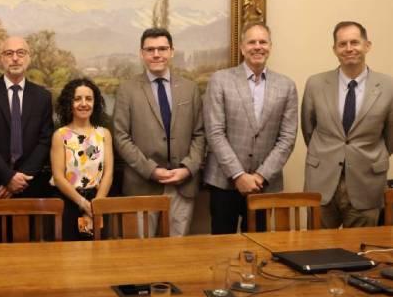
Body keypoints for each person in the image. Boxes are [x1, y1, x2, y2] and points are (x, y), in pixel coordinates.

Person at [203, 21, 298, 234]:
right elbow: (215, 132)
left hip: (264, 185)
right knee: (220, 250)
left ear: (270, 46)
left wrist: (260, 176)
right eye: (252, 42)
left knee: (259, 248)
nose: (258, 46)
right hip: (223, 182)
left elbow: (287, 138)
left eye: (263, 42)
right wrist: (238, 175)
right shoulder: (220, 80)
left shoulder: (286, 86)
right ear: (242, 47)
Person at [113, 28, 205, 237]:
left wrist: (188, 168)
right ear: (141, 53)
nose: (156, 54)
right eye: (150, 49)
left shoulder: (189, 89)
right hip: (142, 185)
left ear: (172, 51)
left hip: (182, 185)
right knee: (142, 256)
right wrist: (151, 170)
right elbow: (121, 137)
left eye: (162, 49)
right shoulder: (127, 90)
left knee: (176, 254)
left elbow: (200, 134)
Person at [303, 21, 393, 228]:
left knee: (362, 252)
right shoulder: (315, 84)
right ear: (334, 49)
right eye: (342, 44)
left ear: (367, 45)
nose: (349, 48)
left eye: (355, 42)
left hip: (367, 181)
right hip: (322, 181)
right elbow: (309, 129)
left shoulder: (388, 86)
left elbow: (390, 137)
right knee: (317, 252)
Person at [0, 36, 53, 241]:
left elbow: (45, 140)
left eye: (20, 53)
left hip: (29, 188)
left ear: (28, 58)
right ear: (1, 59)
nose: (15, 58)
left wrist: (19, 178)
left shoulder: (43, 97)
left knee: (29, 257)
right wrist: (7, 177)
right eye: (9, 53)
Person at [51, 78, 113, 240]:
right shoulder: (60, 135)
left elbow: (108, 173)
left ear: (95, 103)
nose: (83, 103)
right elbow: (58, 177)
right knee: (71, 258)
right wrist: (83, 204)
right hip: (70, 203)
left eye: (89, 99)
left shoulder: (104, 134)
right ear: (68, 103)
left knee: (99, 255)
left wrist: (96, 205)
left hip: (98, 202)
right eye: (77, 99)